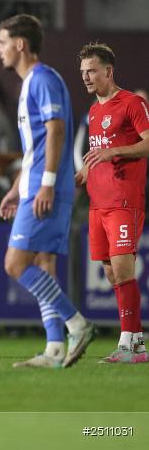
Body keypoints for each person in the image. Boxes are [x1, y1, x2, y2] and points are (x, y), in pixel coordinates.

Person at [0, 14, 96, 369]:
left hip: (46, 187)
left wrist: (47, 184)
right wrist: (15, 187)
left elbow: (56, 132)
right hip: (35, 183)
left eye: (2, 42)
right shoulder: (30, 85)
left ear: (20, 44)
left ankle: (76, 324)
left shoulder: (42, 79)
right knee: (42, 263)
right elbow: (36, 146)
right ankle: (54, 349)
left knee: (15, 263)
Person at [78, 43, 149, 363]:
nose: (86, 78)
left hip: (123, 200)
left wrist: (113, 152)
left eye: (91, 71)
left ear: (108, 70)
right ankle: (137, 346)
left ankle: (128, 346)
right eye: (82, 72)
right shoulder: (94, 111)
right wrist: (87, 170)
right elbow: (101, 152)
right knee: (110, 273)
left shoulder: (133, 103)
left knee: (123, 270)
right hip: (98, 203)